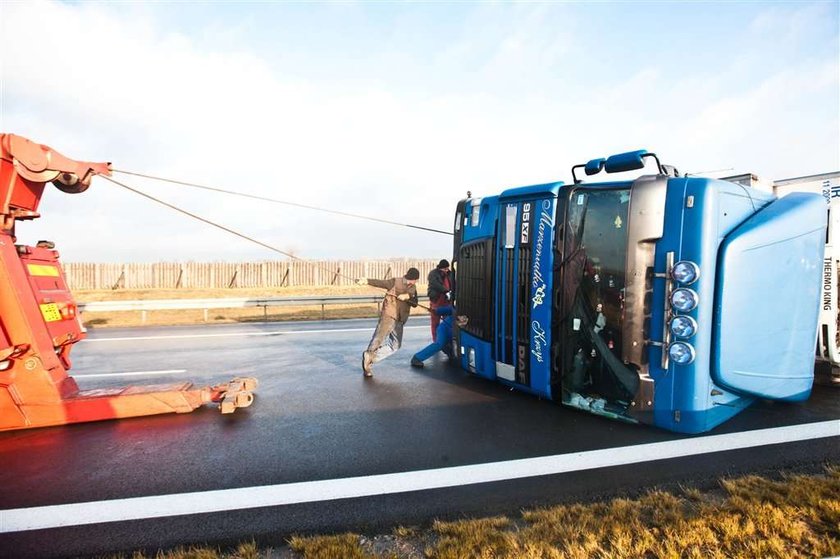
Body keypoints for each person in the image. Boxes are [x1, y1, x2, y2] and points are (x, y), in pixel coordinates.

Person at [356, 268, 419, 377]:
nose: (413, 282)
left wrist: (408, 297)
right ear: (409, 277)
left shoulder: (413, 288)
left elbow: (415, 303)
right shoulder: (395, 282)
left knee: (395, 345)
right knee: (378, 338)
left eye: (414, 281)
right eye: (413, 280)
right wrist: (366, 281)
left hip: (400, 319)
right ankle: (368, 357)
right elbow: (380, 283)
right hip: (389, 315)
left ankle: (372, 357)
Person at [427, 259, 454, 341]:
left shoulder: (450, 274)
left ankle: (446, 339)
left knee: (447, 322)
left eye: (447, 268)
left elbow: (454, 283)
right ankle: (436, 340)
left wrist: (452, 293)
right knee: (435, 322)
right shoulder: (433, 274)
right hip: (436, 300)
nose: (447, 270)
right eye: (445, 269)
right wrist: (446, 291)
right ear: (440, 268)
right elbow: (435, 284)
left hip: (447, 302)